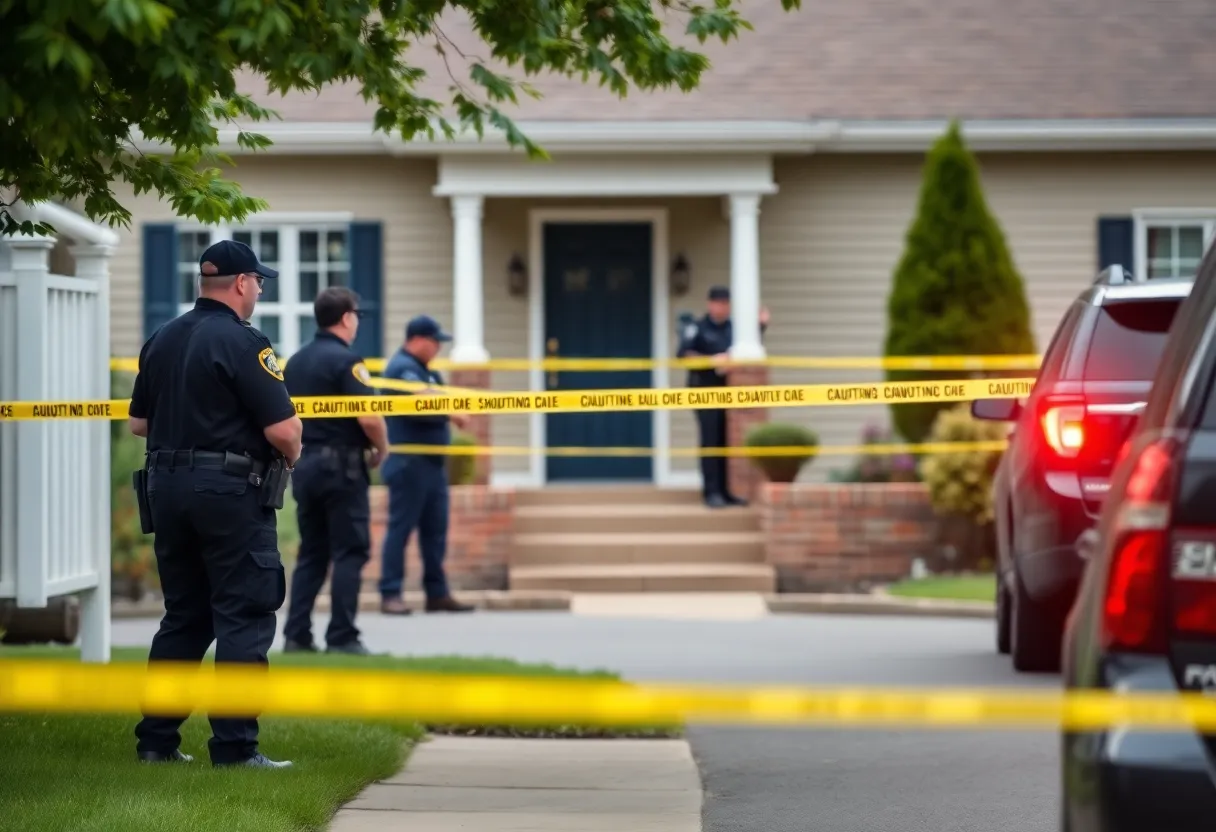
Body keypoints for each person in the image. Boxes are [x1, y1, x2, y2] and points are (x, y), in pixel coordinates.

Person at [128, 239, 303, 769]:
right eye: (259, 282)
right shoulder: (245, 342)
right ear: (242, 283)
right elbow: (285, 431)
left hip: (165, 487)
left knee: (184, 614)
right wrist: (290, 453)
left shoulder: (162, 338)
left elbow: (139, 423)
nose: (260, 291)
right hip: (229, 492)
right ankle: (234, 749)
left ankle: (157, 742)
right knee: (244, 614)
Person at [281, 286, 388, 656]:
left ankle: (296, 635)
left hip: (305, 466)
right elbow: (369, 417)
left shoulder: (295, 362)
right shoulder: (348, 362)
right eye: (356, 315)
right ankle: (342, 636)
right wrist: (382, 447)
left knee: (312, 552)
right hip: (342, 468)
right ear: (346, 318)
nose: (357, 321)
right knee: (349, 551)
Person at [377, 315, 474, 615]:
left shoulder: (426, 371)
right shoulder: (401, 367)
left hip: (431, 464)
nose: (438, 348)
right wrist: (452, 412)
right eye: (434, 342)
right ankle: (391, 593)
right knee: (401, 529)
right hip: (409, 462)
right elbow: (422, 398)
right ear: (417, 339)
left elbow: (436, 395)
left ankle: (437, 593)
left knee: (435, 531)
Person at [676, 285, 770, 508]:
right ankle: (711, 492)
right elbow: (684, 355)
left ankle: (726, 492)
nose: (722, 307)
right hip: (703, 392)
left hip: (728, 392)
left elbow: (748, 345)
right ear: (710, 304)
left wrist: (761, 325)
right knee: (710, 441)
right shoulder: (697, 328)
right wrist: (712, 361)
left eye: (726, 303)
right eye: (718, 303)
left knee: (725, 442)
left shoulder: (733, 328)